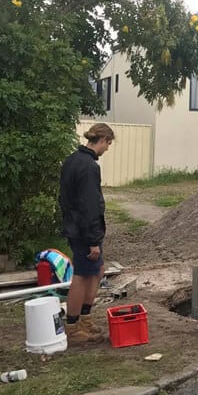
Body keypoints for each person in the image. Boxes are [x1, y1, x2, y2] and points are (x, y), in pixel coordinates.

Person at [59, 123, 114, 344]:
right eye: (108, 144)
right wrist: (93, 240)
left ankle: (85, 318)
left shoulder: (71, 160)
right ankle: (72, 326)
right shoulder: (90, 166)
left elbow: (65, 198)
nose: (107, 149)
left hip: (76, 226)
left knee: (97, 270)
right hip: (85, 231)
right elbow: (89, 205)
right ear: (102, 140)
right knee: (81, 277)